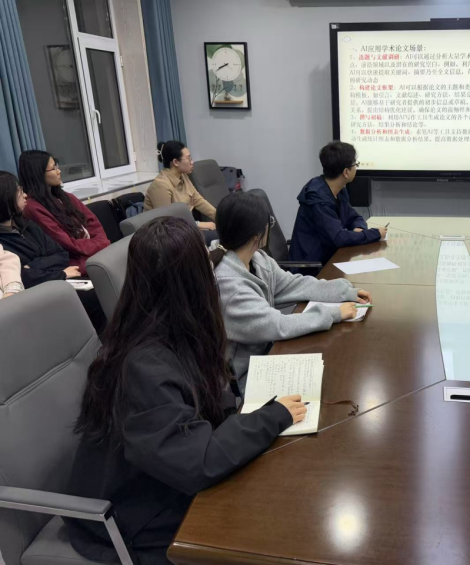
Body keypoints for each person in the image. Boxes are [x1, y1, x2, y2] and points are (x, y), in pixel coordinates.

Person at [64, 216, 307, 565]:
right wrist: (272, 417)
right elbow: (197, 462)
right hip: (131, 518)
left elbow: (203, 414)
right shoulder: (143, 365)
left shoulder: (165, 330)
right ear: (194, 282)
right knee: (268, 528)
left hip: (163, 476)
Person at [211, 192, 370, 379]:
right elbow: (277, 325)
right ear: (256, 236)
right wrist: (334, 313)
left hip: (266, 355)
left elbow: (295, 284)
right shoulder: (230, 286)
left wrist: (343, 291)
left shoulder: (258, 259)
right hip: (242, 378)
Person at [0, 171, 106, 331]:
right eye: (19, 191)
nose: (25, 195)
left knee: (101, 289)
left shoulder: (26, 224)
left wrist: (34, 265)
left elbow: (61, 254)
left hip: (55, 280)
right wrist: (61, 274)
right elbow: (23, 277)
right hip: (36, 294)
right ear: (5, 199)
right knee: (92, 300)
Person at [289, 141, 386, 269]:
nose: (356, 168)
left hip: (330, 256)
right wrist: (375, 234)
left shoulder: (338, 191)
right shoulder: (319, 200)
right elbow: (338, 238)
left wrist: (359, 229)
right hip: (311, 267)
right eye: (355, 164)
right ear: (346, 172)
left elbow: (354, 217)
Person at [19, 150, 110, 276]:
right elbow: (68, 244)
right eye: (53, 168)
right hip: (75, 261)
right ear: (37, 174)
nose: (59, 171)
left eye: (57, 166)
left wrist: (101, 243)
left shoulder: (66, 196)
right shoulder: (33, 208)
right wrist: (101, 245)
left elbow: (93, 223)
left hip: (95, 251)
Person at [145, 141, 217, 245]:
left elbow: (198, 200)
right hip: (164, 238)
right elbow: (166, 223)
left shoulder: (183, 176)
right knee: (218, 237)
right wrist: (198, 224)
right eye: (188, 158)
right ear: (175, 162)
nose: (192, 162)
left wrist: (220, 216)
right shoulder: (161, 185)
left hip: (184, 229)